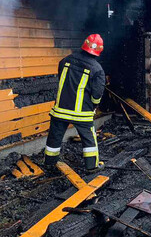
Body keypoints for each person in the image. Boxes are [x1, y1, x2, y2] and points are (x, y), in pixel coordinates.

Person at [43, 34, 106, 172]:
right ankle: (92, 166)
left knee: (54, 136)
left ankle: (49, 163)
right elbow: (97, 94)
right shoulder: (97, 69)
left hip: (60, 109)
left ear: (84, 45)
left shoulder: (65, 60)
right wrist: (94, 105)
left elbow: (64, 81)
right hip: (81, 113)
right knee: (89, 140)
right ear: (99, 51)